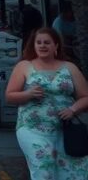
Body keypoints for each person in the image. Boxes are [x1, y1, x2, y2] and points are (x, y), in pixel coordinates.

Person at [5, 27, 88, 179]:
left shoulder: (70, 67)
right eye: (39, 42)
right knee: (44, 165)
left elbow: (85, 97)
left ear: (56, 46)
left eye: (47, 43)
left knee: (73, 171)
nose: (43, 46)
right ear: (34, 45)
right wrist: (28, 94)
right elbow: (10, 96)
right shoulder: (24, 66)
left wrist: (73, 109)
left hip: (65, 130)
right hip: (32, 128)